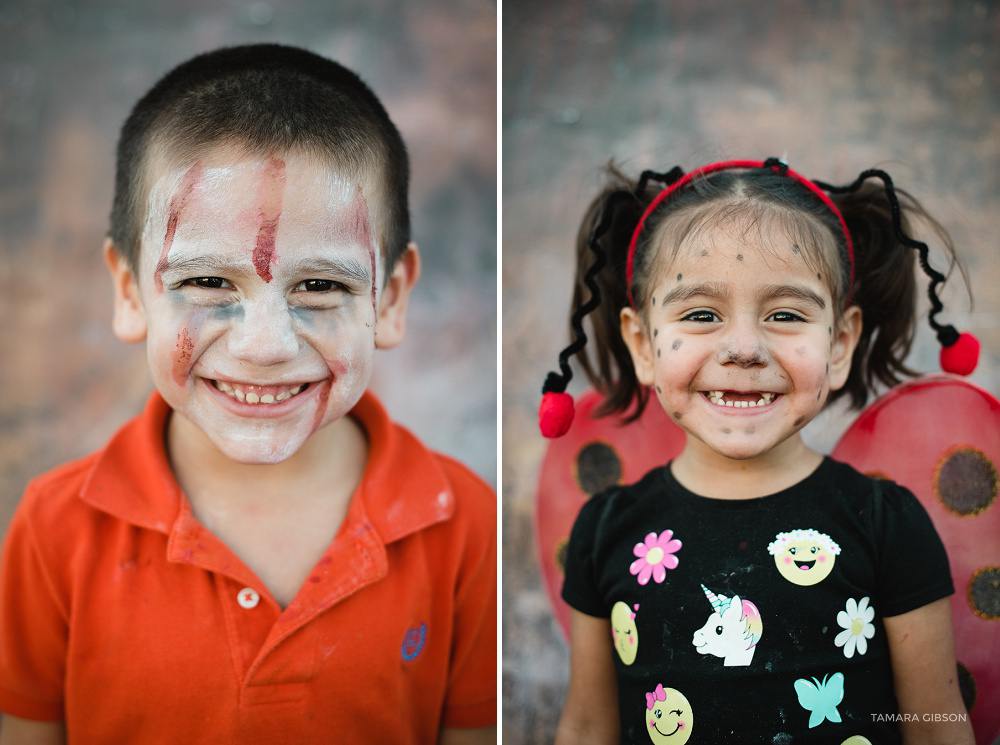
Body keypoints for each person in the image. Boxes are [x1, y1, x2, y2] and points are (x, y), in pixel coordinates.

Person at [0, 44, 496, 744]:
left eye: (320, 286)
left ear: (391, 299)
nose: (265, 344)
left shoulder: (464, 525)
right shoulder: (55, 529)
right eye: (208, 282)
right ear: (127, 291)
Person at [544, 158, 975, 744]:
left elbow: (937, 731)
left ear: (840, 343)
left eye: (785, 315)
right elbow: (588, 728)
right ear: (643, 344)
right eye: (700, 314)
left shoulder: (884, 524)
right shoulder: (606, 532)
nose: (744, 348)